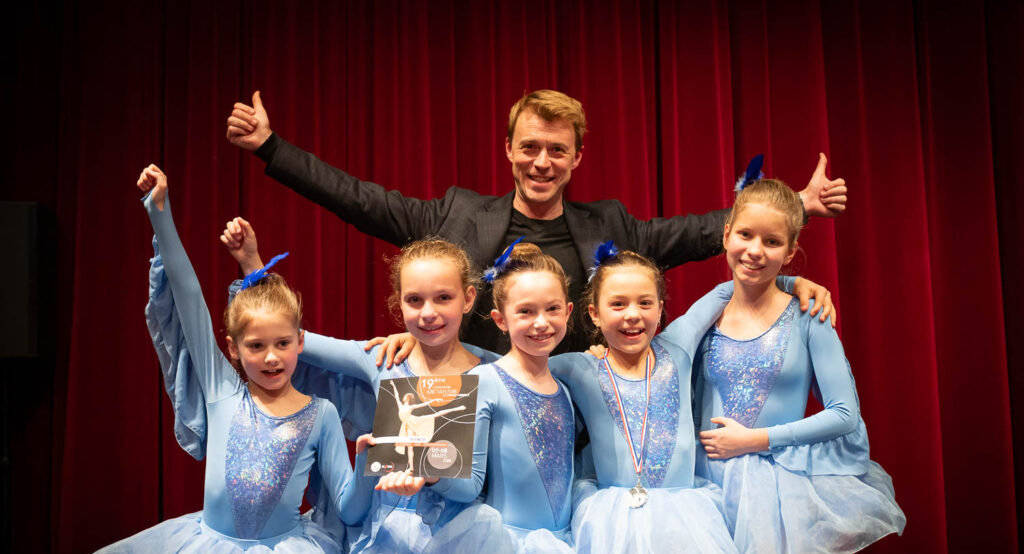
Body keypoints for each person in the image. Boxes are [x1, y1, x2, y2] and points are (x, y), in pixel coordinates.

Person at [225, 89, 845, 352]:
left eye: (556, 150)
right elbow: (358, 199)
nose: (541, 162)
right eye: (529, 147)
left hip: (569, 416)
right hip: (468, 406)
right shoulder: (456, 215)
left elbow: (708, 231)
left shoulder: (611, 226)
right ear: (508, 150)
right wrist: (273, 148)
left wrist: (798, 205)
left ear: (577, 157)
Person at [72, 165, 374, 554]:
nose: (272, 357)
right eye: (256, 346)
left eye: (283, 344)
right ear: (232, 350)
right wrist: (160, 214)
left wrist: (366, 463)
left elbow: (346, 509)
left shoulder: (321, 415)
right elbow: (189, 297)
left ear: (301, 342)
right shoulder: (222, 391)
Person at [221, 224, 495, 554]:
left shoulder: (489, 370)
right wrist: (253, 266)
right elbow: (290, 336)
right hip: (381, 545)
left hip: (446, 546)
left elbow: (474, 481)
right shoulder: (383, 359)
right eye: (414, 301)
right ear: (398, 304)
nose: (428, 313)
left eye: (442, 298)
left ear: (468, 299)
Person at [693, 180, 905, 554]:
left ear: (791, 252)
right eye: (746, 234)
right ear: (726, 235)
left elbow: (844, 413)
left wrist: (756, 439)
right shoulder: (706, 316)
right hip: (706, 489)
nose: (755, 250)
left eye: (772, 242)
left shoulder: (810, 317)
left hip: (777, 494)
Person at [394, 242, 627, 554]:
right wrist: (430, 472)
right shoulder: (482, 380)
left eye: (552, 309)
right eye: (525, 312)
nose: (541, 323)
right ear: (500, 320)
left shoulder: (565, 385)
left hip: (558, 551)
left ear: (570, 311)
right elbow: (469, 484)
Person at [546, 245, 757, 554]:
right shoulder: (576, 366)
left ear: (662, 308)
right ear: (593, 313)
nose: (632, 315)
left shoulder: (677, 347)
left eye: (645, 302)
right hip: (606, 526)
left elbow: (730, 287)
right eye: (617, 304)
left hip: (681, 521)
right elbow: (500, 365)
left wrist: (796, 283)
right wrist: (418, 343)